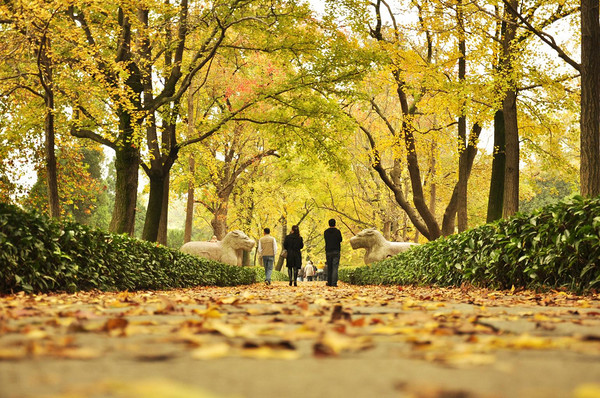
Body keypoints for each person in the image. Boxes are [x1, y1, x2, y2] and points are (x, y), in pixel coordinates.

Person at [324, 218, 342, 287]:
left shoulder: (326, 232)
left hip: (328, 251)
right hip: (336, 251)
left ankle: (329, 282)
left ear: (329, 224)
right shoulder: (337, 232)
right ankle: (334, 283)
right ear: (335, 224)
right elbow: (340, 240)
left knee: (329, 267)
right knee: (335, 267)